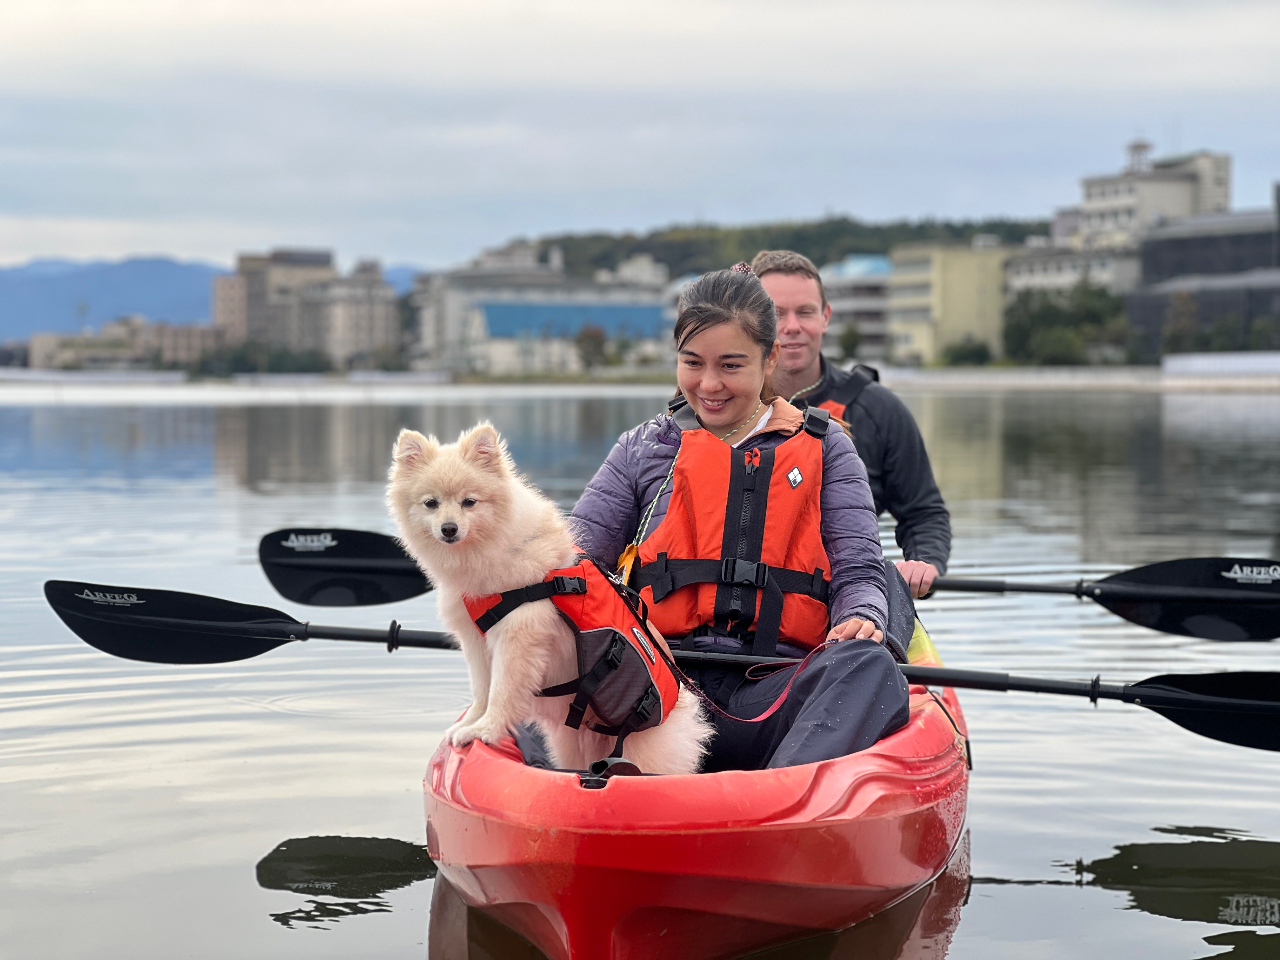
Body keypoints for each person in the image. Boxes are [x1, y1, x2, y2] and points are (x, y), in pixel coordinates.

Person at [571, 264, 910, 771]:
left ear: (769, 358)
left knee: (868, 665)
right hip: (658, 689)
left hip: (773, 692)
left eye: (731, 365)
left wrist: (862, 615)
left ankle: (780, 801)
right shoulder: (645, 447)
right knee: (557, 655)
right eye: (692, 363)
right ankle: (597, 784)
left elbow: (860, 570)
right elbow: (574, 563)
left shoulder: (828, 447)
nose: (708, 385)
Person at [750, 250, 951, 598]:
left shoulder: (880, 410)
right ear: (751, 320)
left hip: (847, 601)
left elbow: (923, 513)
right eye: (776, 313)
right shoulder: (718, 407)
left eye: (806, 312)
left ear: (826, 317)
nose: (792, 326)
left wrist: (925, 561)